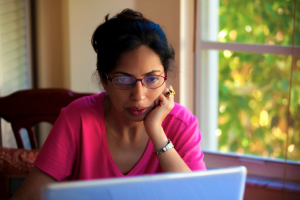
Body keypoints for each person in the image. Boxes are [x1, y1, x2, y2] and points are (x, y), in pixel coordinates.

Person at [10, 8, 206, 200]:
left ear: (165, 77)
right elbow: (27, 196)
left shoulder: (182, 125)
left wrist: (156, 131)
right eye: (123, 80)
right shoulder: (76, 119)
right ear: (104, 81)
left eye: (152, 79)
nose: (138, 95)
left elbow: (199, 197)